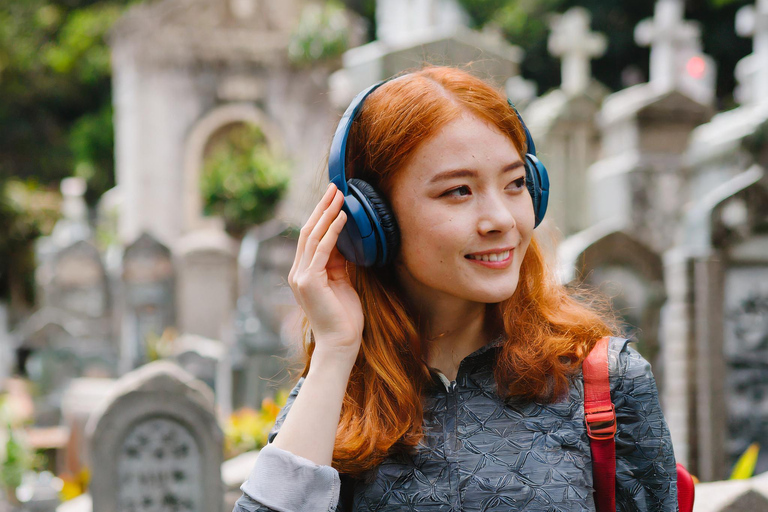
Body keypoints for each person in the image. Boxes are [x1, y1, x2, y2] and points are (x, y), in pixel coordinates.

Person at [233, 66, 678, 512]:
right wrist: (335, 349)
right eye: (459, 191)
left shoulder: (608, 382)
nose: (501, 219)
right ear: (370, 220)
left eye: (515, 183)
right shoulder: (339, 393)